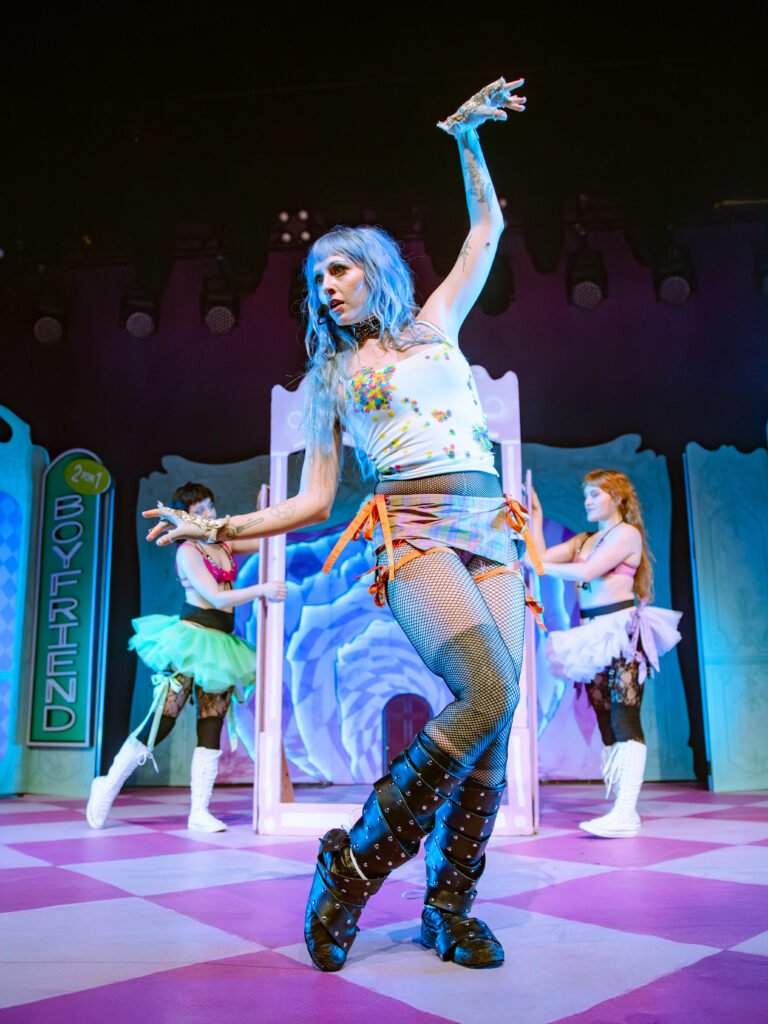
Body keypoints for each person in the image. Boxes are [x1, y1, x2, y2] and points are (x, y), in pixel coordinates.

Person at [144, 77, 533, 972]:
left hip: (491, 525)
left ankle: (448, 908)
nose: (324, 288)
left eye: (337, 270)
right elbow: (314, 501)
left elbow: (486, 230)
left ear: (374, 268)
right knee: (484, 691)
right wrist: (218, 529)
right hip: (416, 527)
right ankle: (352, 868)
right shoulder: (330, 379)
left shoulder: (435, 323)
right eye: (315, 279)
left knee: (501, 709)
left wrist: (466, 139)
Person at [86, 482, 287, 833]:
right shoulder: (188, 551)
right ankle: (107, 785)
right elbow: (217, 598)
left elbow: (266, 541)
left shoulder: (223, 542)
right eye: (199, 511)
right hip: (190, 641)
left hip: (221, 646)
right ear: (186, 517)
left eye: (210, 507)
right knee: (162, 720)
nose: (208, 514)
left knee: (212, 723)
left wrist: (264, 511)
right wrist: (263, 590)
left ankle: (199, 810)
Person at [529, 470, 682, 838]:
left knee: (624, 716)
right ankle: (620, 810)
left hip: (622, 630)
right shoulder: (584, 540)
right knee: (606, 721)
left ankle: (626, 812)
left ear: (617, 497)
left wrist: (539, 566)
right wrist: (535, 517)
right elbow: (539, 556)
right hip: (592, 634)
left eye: (595, 494)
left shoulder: (626, 534)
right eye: (586, 494)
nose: (588, 501)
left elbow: (589, 571)